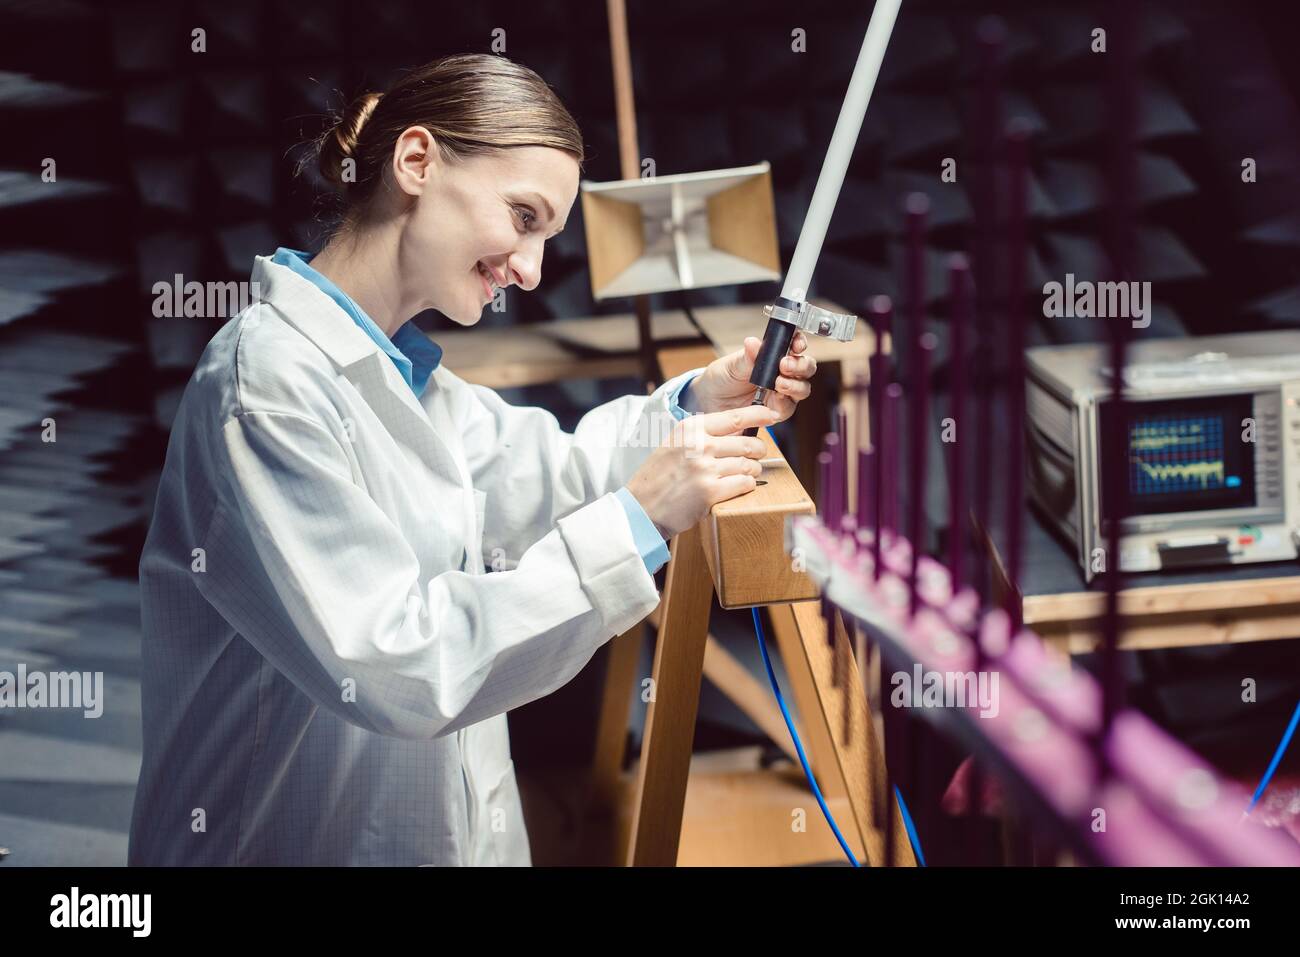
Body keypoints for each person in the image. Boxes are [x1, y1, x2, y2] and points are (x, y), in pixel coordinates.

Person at [128, 54, 817, 865]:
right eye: (523, 218)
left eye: (545, 239)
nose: (528, 270)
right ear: (416, 161)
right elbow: (399, 664)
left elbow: (552, 478)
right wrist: (638, 519)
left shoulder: (408, 375)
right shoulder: (266, 387)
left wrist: (699, 400)